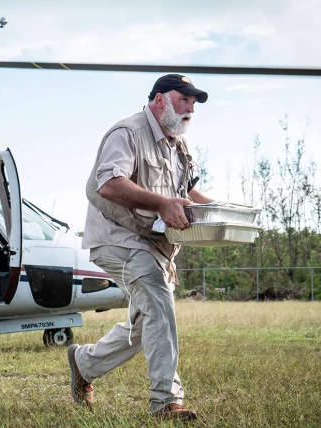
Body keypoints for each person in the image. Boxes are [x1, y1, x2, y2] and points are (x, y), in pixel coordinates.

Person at [68, 74, 215, 421]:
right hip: (116, 238)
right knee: (159, 305)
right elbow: (108, 183)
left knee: (144, 324)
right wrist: (163, 203)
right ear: (160, 100)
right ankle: (166, 400)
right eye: (185, 99)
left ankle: (83, 363)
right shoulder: (128, 132)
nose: (191, 108)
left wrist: (222, 212)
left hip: (154, 245)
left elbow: (187, 192)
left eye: (194, 103)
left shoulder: (179, 144)